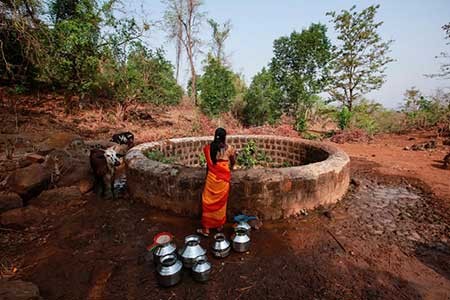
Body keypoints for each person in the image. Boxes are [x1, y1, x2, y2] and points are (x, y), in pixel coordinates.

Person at [197, 128, 236, 237]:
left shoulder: (209, 148)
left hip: (211, 180)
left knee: (207, 202)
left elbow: (208, 167)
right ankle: (219, 226)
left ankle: (206, 229)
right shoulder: (229, 149)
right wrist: (230, 168)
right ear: (224, 137)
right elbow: (233, 162)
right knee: (221, 204)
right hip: (223, 180)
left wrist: (207, 177)